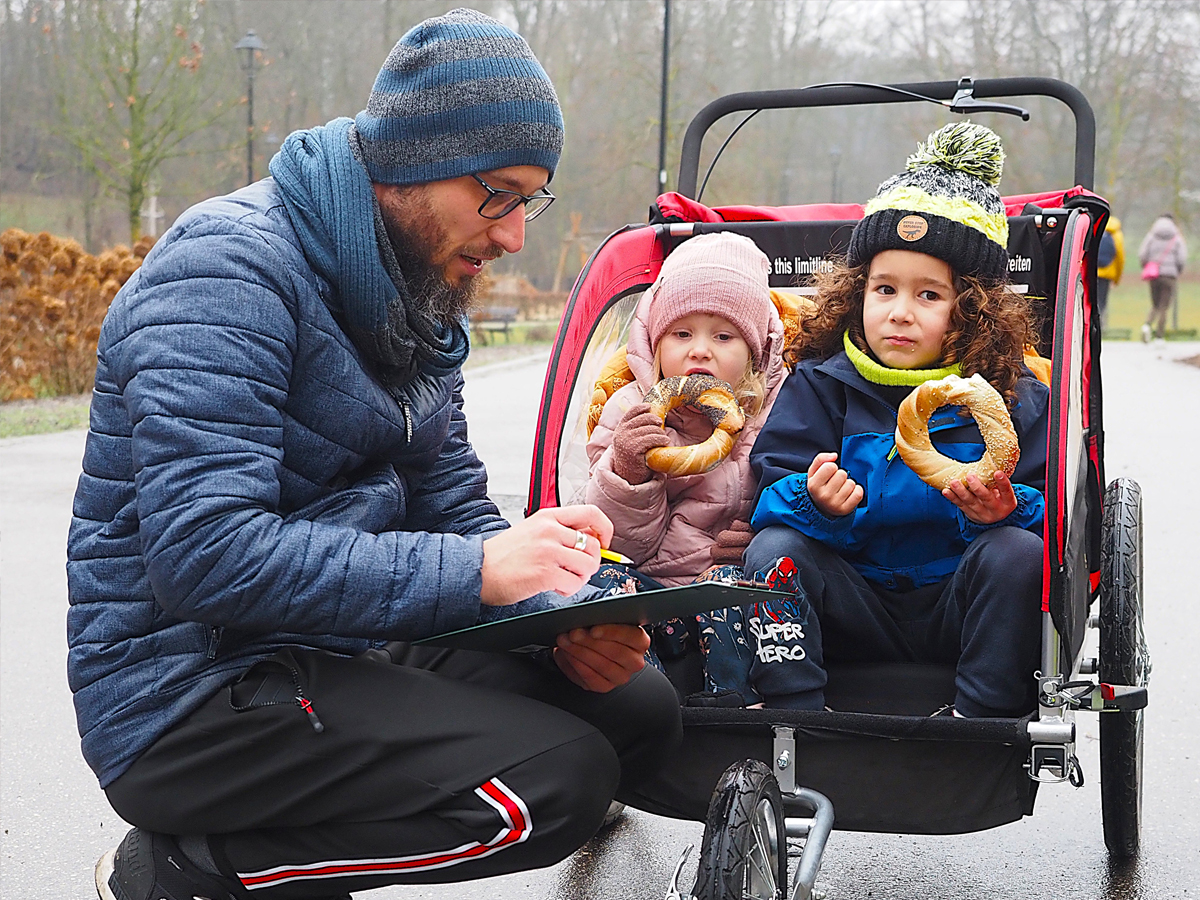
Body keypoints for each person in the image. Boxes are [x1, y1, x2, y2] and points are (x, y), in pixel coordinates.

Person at [68, 10, 681, 900]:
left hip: (341, 643)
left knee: (635, 709)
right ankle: (191, 867)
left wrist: (561, 610)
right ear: (412, 163)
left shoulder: (417, 286)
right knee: (556, 785)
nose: (514, 235)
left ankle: (315, 813)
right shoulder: (222, 273)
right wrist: (477, 571)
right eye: (497, 193)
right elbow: (204, 556)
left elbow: (452, 505)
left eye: (529, 199)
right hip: (191, 695)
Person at [742, 122, 1050, 717]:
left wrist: (1007, 510)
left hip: (959, 603)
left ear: (974, 307)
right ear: (858, 292)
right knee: (774, 550)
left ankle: (981, 718)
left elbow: (1050, 511)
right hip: (851, 601)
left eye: (929, 296)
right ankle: (795, 713)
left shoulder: (1015, 396)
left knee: (1017, 553)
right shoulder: (822, 383)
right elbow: (768, 485)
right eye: (884, 289)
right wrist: (814, 502)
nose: (900, 313)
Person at [582, 232, 787, 697]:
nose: (699, 350)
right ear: (654, 345)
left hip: (727, 589)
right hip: (650, 588)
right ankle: (638, 696)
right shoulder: (629, 412)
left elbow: (794, 488)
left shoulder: (774, 413)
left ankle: (732, 706)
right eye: (681, 334)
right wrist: (629, 473)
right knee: (600, 581)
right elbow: (615, 542)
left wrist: (761, 538)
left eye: (723, 336)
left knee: (743, 585)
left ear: (754, 354)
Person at [1138, 213, 1187, 342]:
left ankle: (1147, 325)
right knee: (1164, 306)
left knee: (1155, 304)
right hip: (1170, 275)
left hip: (1153, 274)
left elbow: (1143, 254)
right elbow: (1181, 258)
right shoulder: (1176, 237)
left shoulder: (1152, 235)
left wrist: (1147, 266)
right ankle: (1159, 336)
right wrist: (1177, 270)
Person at [1095, 214, 1124, 329]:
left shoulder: (1094, 228)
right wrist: (1116, 279)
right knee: (1102, 301)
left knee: (1089, 299)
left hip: (1091, 272)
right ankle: (1100, 326)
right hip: (1107, 273)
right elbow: (1120, 258)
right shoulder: (1116, 234)